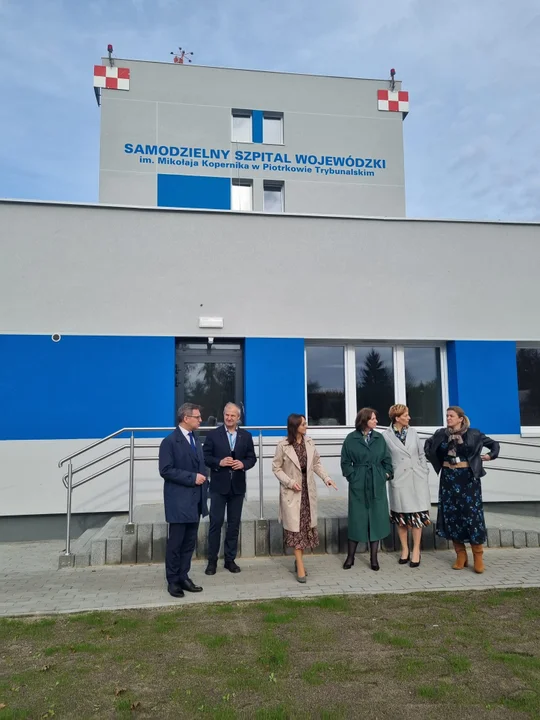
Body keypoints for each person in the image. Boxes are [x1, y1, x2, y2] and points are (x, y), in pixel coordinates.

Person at [424, 406, 500, 574]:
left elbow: (494, 444)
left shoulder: (474, 434)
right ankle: (461, 555)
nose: (448, 418)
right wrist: (434, 457)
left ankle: (478, 556)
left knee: (472, 516)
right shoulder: (441, 434)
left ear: (460, 418)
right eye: (447, 416)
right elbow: (428, 445)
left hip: (468, 479)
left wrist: (490, 456)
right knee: (452, 515)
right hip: (448, 479)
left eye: (451, 416)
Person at [272, 414, 337, 583]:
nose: (306, 426)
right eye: (303, 424)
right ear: (295, 427)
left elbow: (316, 464)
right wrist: (290, 482)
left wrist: (326, 478)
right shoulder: (282, 445)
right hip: (293, 493)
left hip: (307, 492)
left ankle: (298, 560)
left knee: (304, 528)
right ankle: (300, 567)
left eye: (306, 423)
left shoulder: (309, 442)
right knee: (296, 530)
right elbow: (276, 468)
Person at [158, 403, 208, 598]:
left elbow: (199, 464)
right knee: (176, 543)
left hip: (195, 501)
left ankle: (183, 576)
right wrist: (192, 478)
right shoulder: (169, 442)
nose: (201, 420)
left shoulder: (195, 438)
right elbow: (166, 470)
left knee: (189, 543)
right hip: (179, 501)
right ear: (186, 418)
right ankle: (172, 581)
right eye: (197, 417)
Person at [203, 402, 257, 575]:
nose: (229, 418)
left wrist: (243, 464)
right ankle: (212, 561)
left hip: (237, 487)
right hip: (219, 487)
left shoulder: (246, 436)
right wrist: (219, 462)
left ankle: (230, 560)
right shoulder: (213, 435)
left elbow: (252, 458)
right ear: (223, 415)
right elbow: (205, 457)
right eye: (227, 414)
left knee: (233, 525)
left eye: (233, 415)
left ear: (238, 417)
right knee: (216, 524)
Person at [340, 408, 393, 571]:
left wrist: (385, 474)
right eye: (373, 419)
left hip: (376, 481)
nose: (376, 421)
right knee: (357, 519)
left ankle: (374, 558)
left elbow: (387, 459)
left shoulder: (379, 438)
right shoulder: (351, 439)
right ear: (364, 420)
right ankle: (350, 557)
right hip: (359, 482)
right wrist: (352, 476)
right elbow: (345, 462)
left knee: (376, 519)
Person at [382, 404, 431, 568]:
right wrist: (390, 475)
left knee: (417, 517)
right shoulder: (385, 436)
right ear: (397, 418)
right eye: (406, 415)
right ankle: (405, 549)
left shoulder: (413, 432)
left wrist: (424, 470)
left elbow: (421, 454)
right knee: (401, 518)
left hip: (416, 478)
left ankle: (416, 550)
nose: (409, 418)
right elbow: (385, 458)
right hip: (400, 480)